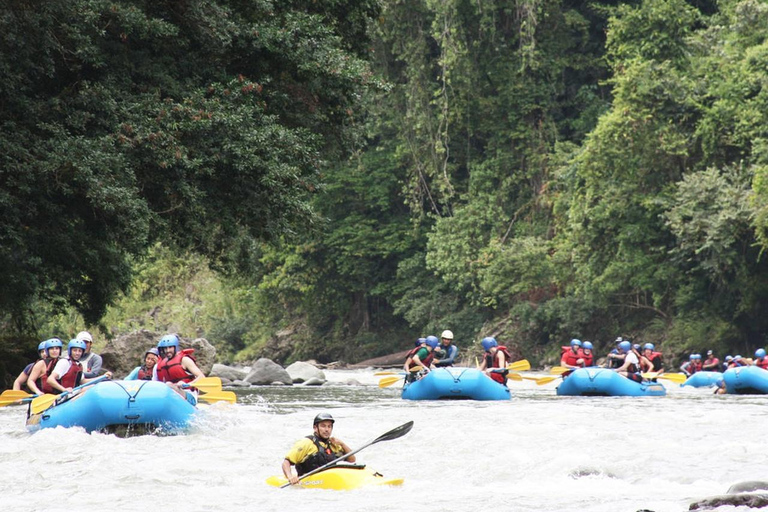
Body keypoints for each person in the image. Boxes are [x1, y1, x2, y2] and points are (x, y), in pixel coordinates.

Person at [281, 413, 355, 485]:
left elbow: (352, 459)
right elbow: (286, 462)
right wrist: (290, 477)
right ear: (315, 428)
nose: (327, 430)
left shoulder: (333, 444)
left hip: (328, 481)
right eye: (323, 426)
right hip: (309, 482)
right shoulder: (306, 443)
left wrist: (342, 444)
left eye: (329, 426)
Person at [46, 339, 112, 393]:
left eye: (80, 351)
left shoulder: (78, 365)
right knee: (90, 388)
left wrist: (103, 377)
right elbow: (50, 379)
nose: (77, 353)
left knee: (93, 386)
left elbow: (83, 381)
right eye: (75, 350)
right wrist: (64, 389)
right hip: (62, 395)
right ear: (70, 351)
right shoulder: (64, 362)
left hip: (72, 394)